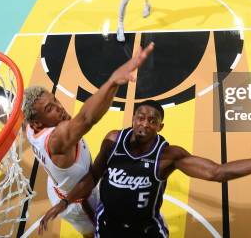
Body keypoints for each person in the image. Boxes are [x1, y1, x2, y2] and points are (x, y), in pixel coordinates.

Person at [38, 99, 251, 237]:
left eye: (152, 121)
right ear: (133, 119)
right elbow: (94, 175)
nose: (145, 124)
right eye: (141, 118)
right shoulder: (113, 141)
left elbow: (217, 172)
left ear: (160, 126)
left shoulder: (167, 156)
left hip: (145, 232)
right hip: (107, 228)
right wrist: (64, 203)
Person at [23, 42, 154, 237]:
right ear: (37, 123)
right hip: (81, 203)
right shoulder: (57, 140)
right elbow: (86, 118)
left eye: (55, 101)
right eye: (49, 109)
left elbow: (17, 118)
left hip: (61, 188)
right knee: (100, 233)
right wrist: (112, 82)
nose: (58, 108)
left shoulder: (29, 127)